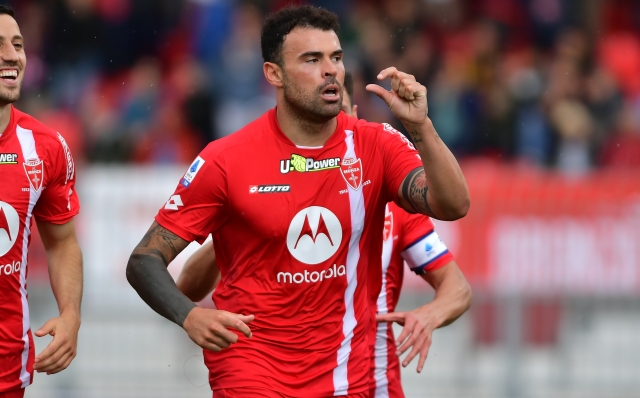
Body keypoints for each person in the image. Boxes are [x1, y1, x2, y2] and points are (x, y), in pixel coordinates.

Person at [126, 5, 469, 397]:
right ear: (274, 73)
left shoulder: (379, 145)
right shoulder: (226, 160)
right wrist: (189, 316)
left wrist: (421, 127)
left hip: (348, 374)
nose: (330, 70)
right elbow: (144, 261)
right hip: (252, 370)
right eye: (312, 59)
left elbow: (453, 206)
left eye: (336, 58)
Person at [0, 5, 83, 398]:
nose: (12, 55)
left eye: (17, 45)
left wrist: (70, 314)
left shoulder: (46, 147)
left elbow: (62, 242)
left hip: (7, 366)